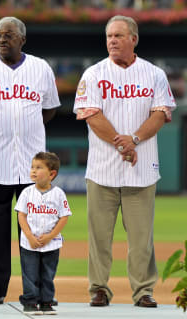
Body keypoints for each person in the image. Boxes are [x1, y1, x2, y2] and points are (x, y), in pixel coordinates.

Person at [73, 15, 176, 308]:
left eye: (118, 35)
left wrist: (136, 140)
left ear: (134, 39)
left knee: (142, 239)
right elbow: (92, 115)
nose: (112, 41)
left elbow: (160, 113)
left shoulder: (154, 73)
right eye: (109, 36)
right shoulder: (93, 74)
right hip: (102, 169)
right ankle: (99, 289)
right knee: (99, 238)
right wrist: (123, 142)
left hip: (141, 169)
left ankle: (143, 290)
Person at [0, 16, 60, 305]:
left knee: (36, 230)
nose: (2, 40)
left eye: (8, 35)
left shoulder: (40, 68)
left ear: (22, 40)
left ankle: (38, 291)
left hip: (34, 166)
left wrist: (27, 126)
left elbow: (49, 110)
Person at [15, 152, 71, 315]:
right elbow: (21, 216)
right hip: (29, 243)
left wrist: (50, 236)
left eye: (38, 168)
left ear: (52, 174)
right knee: (30, 274)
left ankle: (46, 302)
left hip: (51, 243)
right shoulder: (26, 192)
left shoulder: (59, 194)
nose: (33, 170)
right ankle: (30, 302)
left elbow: (64, 217)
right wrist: (29, 236)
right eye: (32, 167)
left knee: (47, 274)